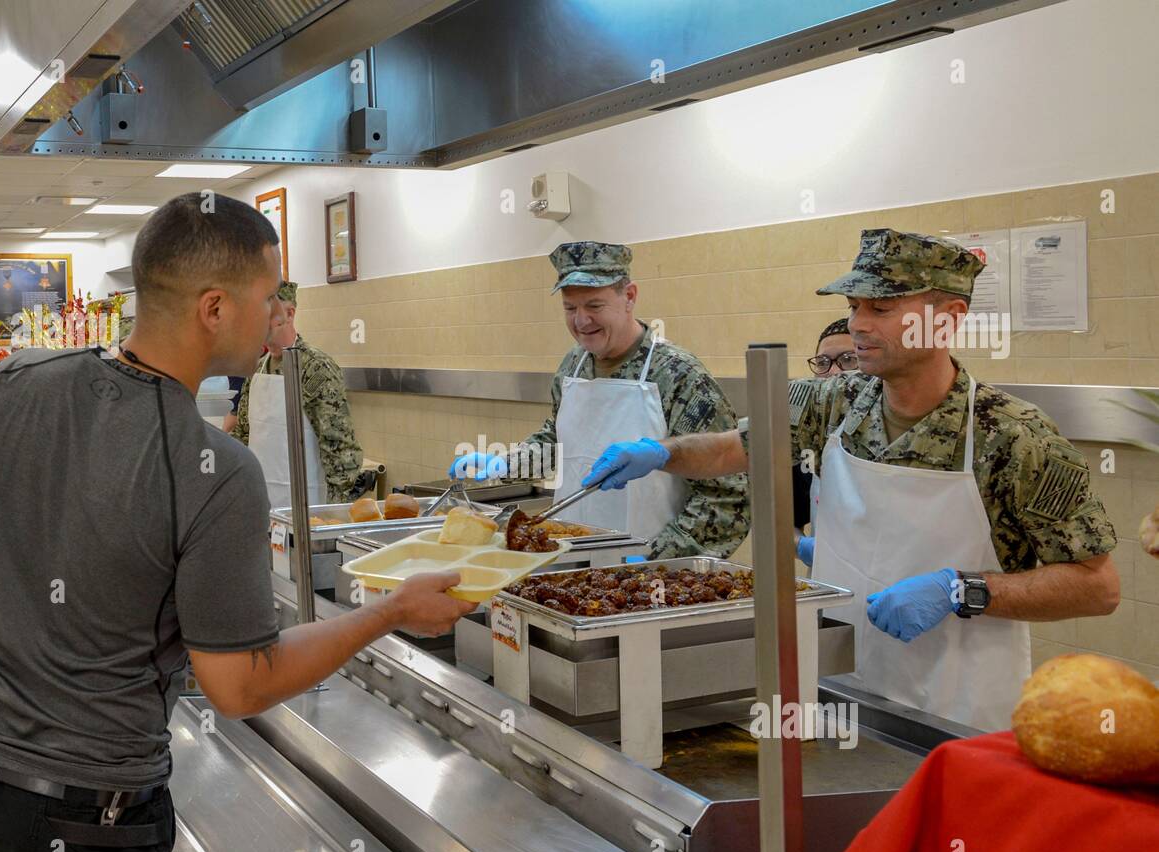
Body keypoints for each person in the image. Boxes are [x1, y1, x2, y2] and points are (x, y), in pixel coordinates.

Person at [0, 193, 474, 852]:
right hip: (78, 833)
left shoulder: (8, 384)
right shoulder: (216, 470)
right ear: (214, 309)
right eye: (268, 297)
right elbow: (238, 685)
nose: (276, 316)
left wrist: (9, 672)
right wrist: (390, 610)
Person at [582, 229, 1119, 731]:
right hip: (838, 691)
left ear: (947, 318)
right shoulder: (834, 401)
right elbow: (734, 448)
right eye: (853, 307)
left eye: (881, 308)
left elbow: (1098, 587)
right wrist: (660, 452)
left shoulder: (1015, 436)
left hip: (956, 716)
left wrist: (964, 590)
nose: (859, 324)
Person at [449, 242, 751, 558]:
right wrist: (505, 463)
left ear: (629, 297)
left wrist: (658, 558)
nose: (581, 321)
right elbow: (559, 442)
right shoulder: (573, 365)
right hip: (571, 558)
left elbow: (727, 494)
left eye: (594, 306)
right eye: (570, 308)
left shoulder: (678, 375)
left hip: (652, 579)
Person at [232, 280, 367, 505]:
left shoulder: (315, 368)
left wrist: (331, 518)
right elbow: (244, 436)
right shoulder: (256, 370)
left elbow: (341, 450)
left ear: (290, 313)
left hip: (308, 508)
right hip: (263, 504)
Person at [794, 317, 856, 565]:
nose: (833, 371)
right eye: (822, 363)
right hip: (829, 585)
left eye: (848, 360)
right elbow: (781, 519)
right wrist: (801, 545)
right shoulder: (807, 440)